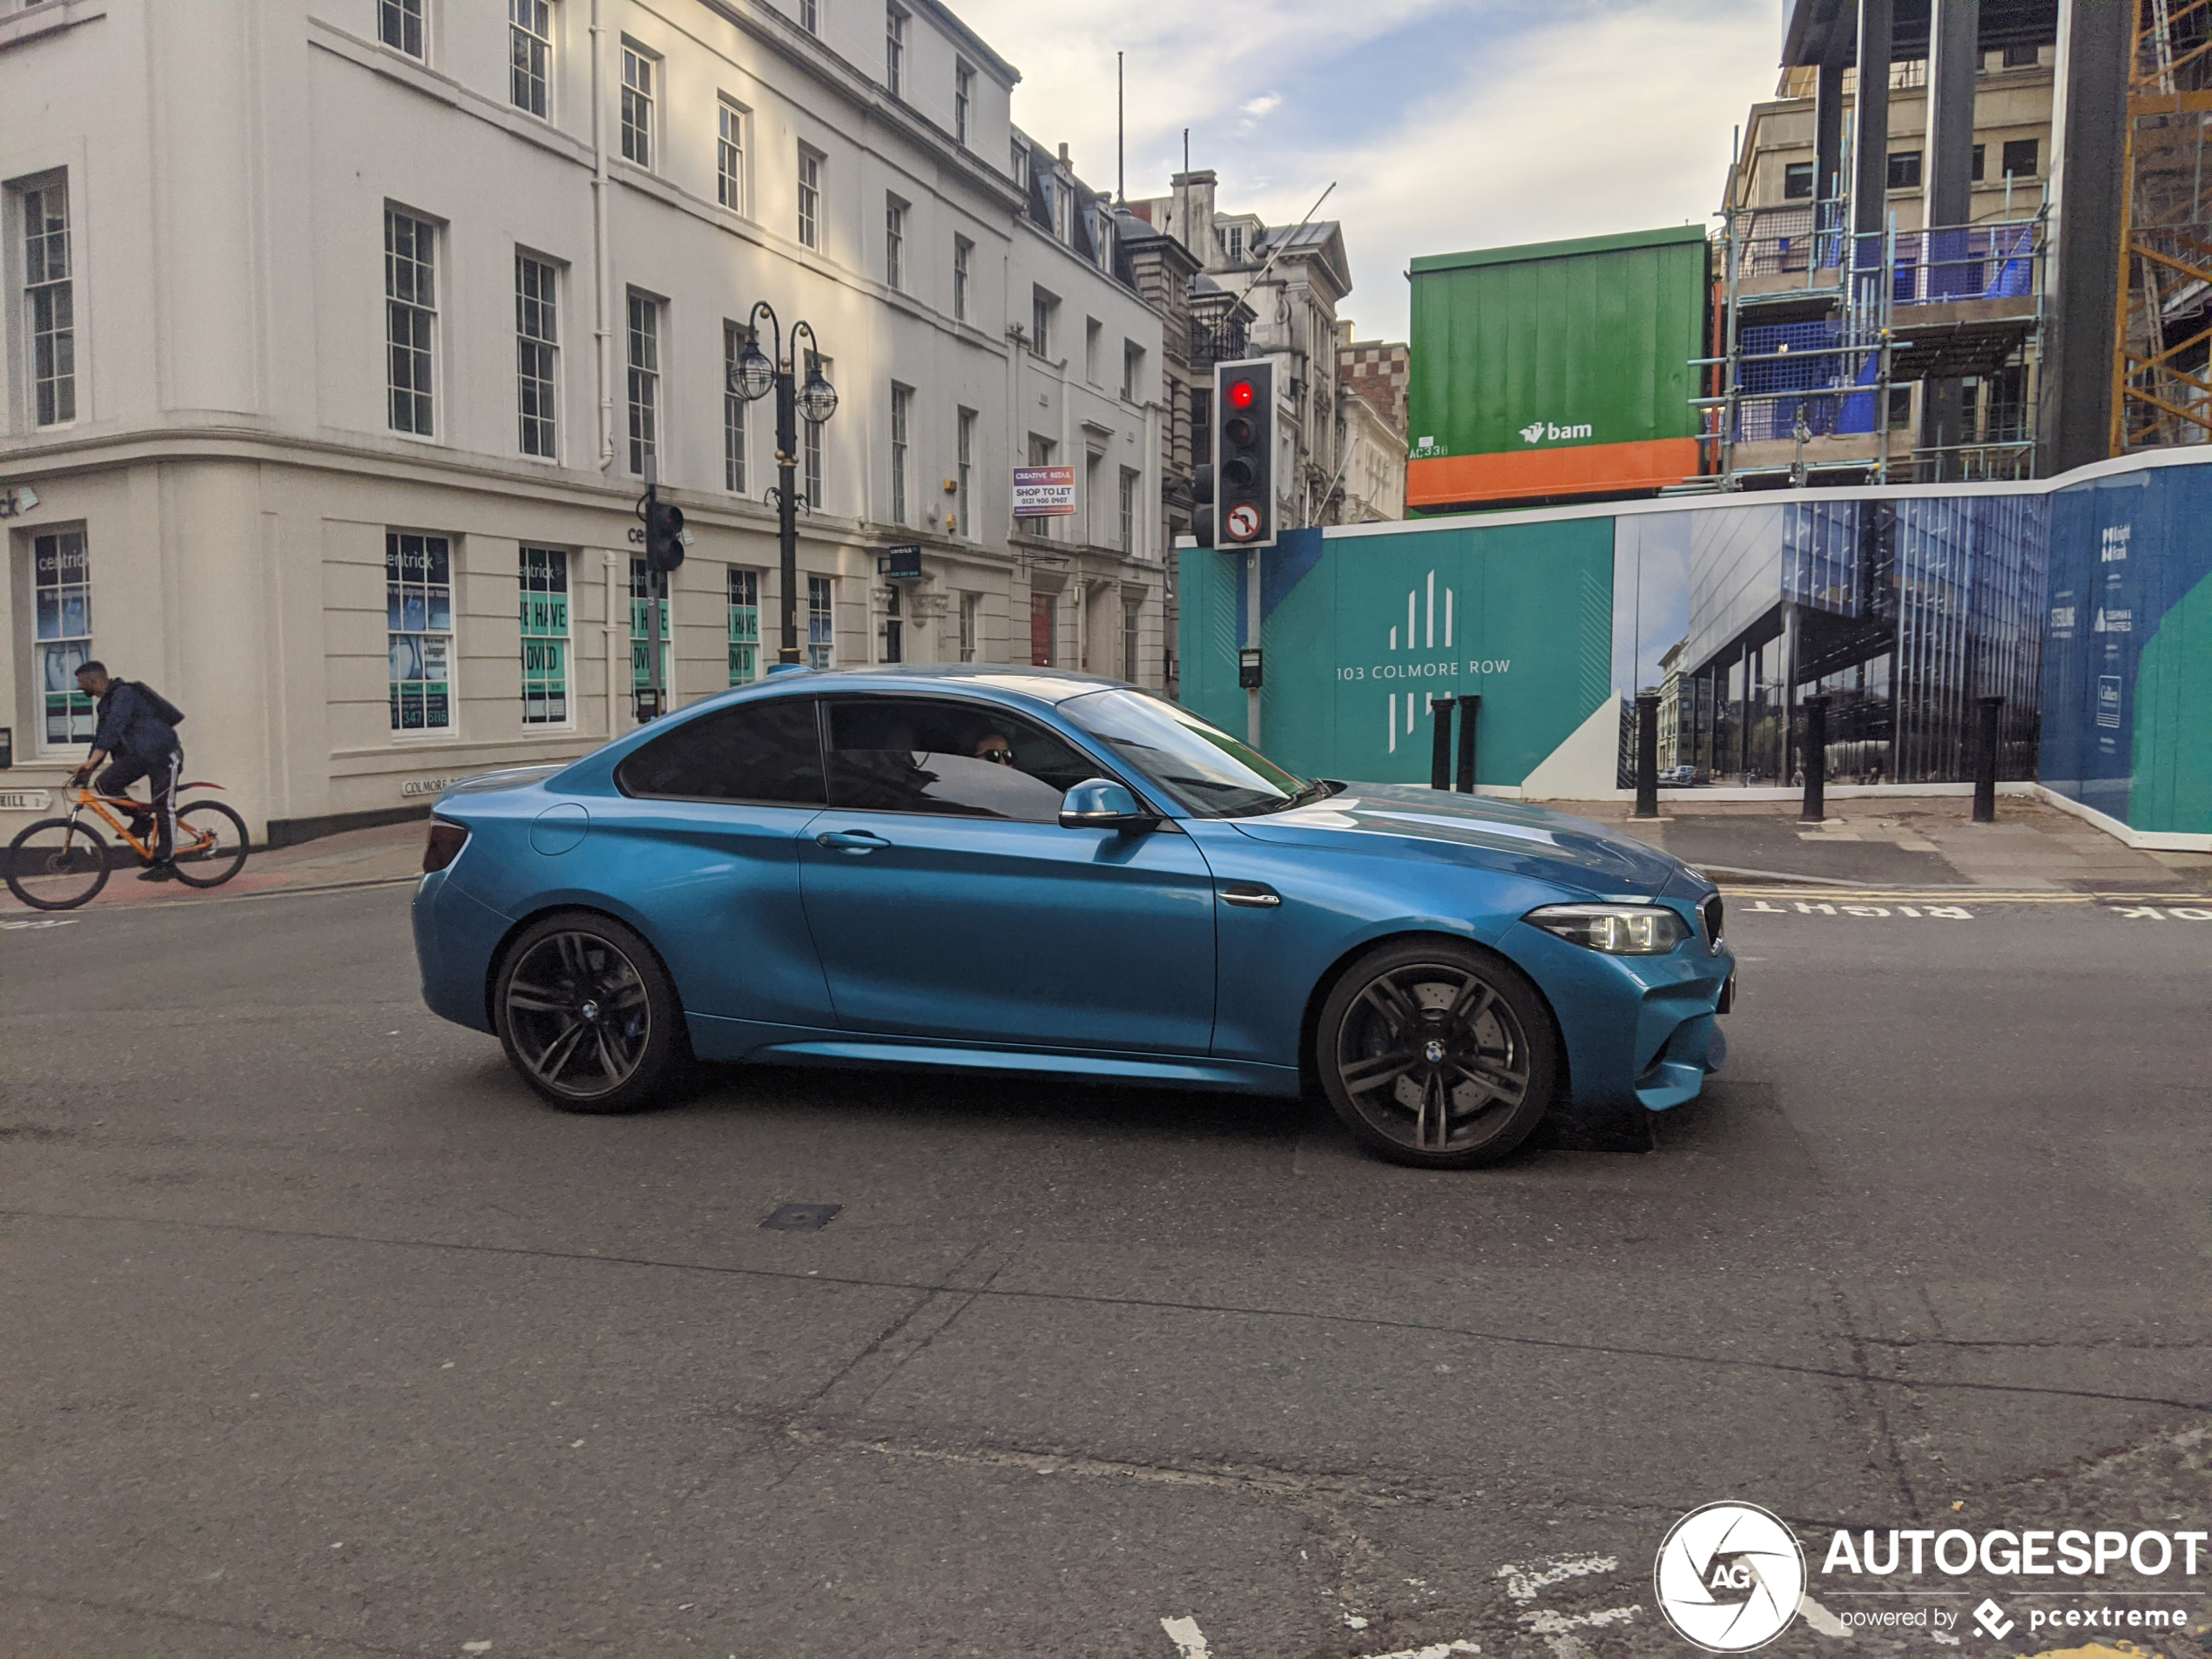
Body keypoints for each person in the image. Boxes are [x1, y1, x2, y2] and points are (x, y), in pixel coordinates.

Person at [67, 661, 186, 880]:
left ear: (93, 681)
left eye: (82, 683)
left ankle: (167, 863)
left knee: (163, 805)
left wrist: (93, 761)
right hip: (140, 756)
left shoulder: (125, 694)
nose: (80, 688)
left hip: (163, 754)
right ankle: (142, 820)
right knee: (105, 784)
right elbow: (102, 736)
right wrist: (89, 766)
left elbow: (115, 726)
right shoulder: (104, 704)